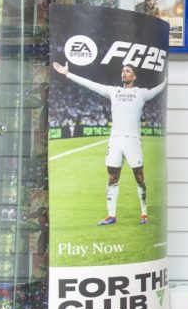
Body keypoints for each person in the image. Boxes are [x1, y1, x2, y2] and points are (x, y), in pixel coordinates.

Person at [51, 61, 166, 225]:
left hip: (133, 140)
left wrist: (166, 80)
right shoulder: (114, 91)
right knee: (112, 177)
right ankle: (111, 215)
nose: (124, 73)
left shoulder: (141, 93)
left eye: (127, 71)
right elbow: (91, 84)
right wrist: (68, 74)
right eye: (122, 71)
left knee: (139, 177)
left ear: (134, 76)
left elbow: (158, 89)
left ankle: (144, 213)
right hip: (115, 140)